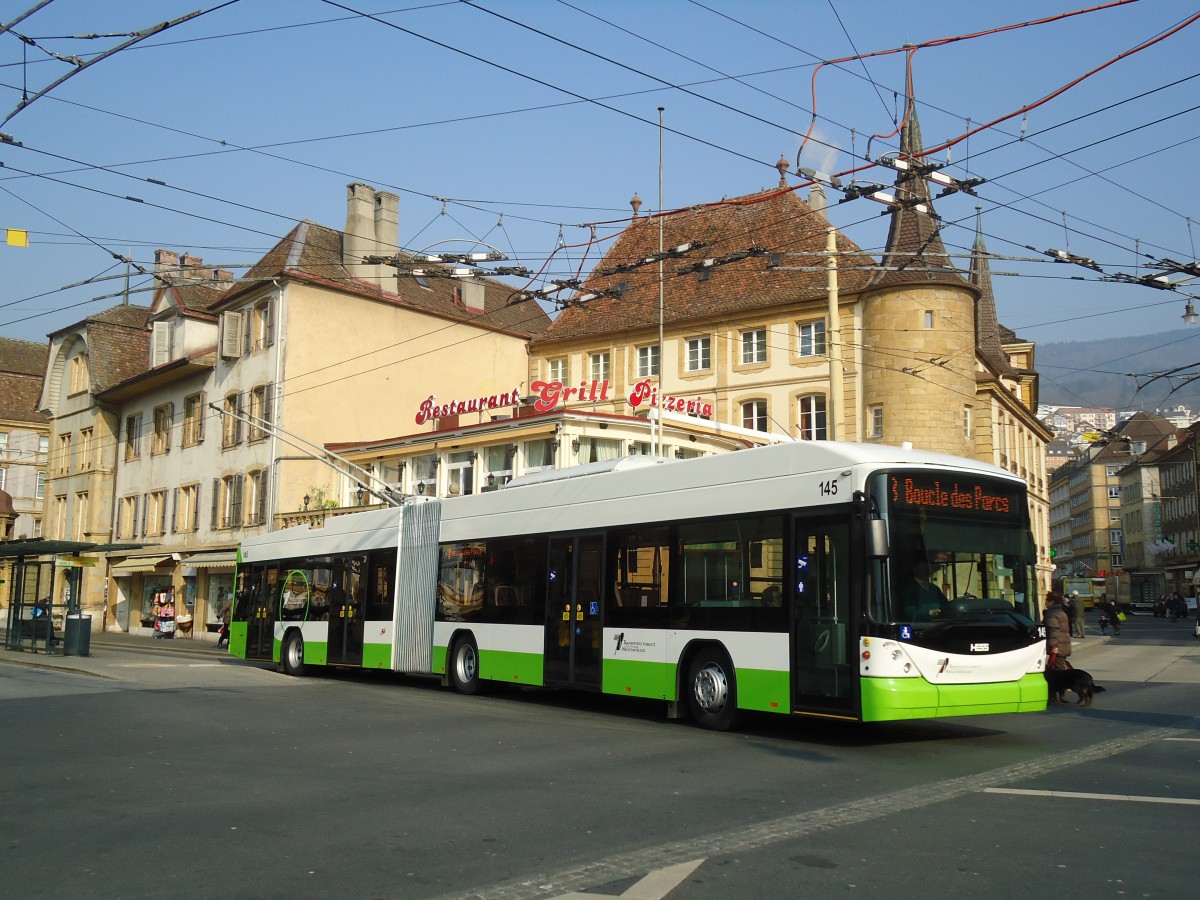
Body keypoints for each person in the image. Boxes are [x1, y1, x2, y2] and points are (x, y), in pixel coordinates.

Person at [898, 557, 948, 621]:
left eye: (928, 568)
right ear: (915, 570)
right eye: (923, 568)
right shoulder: (908, 588)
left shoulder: (935, 588)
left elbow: (945, 605)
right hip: (919, 626)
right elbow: (908, 611)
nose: (927, 571)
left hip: (938, 624)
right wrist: (929, 612)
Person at [1043, 591, 1072, 670]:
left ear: (1052, 602)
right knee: (1058, 668)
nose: (1045, 602)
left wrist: (1054, 645)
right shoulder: (1061, 612)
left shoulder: (1051, 614)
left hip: (1058, 646)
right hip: (1063, 645)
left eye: (1047, 600)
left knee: (1058, 671)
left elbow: (1053, 630)